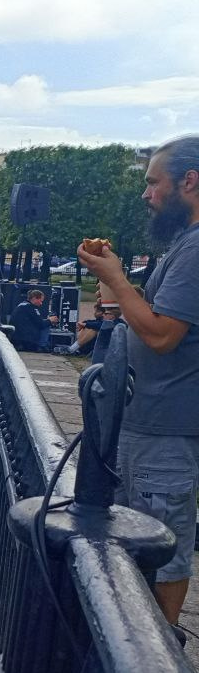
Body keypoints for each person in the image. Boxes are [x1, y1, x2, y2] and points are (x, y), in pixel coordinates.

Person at [77, 135, 199, 626]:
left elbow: (162, 335)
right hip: (143, 421)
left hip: (163, 429)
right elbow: (140, 316)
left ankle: (161, 656)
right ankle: (130, 635)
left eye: (154, 182)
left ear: (189, 182)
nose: (147, 194)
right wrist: (111, 277)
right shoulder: (183, 245)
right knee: (134, 537)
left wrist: (120, 280)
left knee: (163, 548)